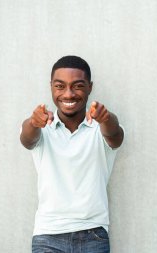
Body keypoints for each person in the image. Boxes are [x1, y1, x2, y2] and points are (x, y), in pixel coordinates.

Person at [20, 55, 124, 253]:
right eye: (60, 86)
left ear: (90, 87)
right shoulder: (42, 127)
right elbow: (27, 139)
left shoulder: (101, 127)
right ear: (51, 86)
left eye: (77, 86)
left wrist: (106, 118)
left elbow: (114, 135)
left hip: (93, 235)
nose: (68, 94)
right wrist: (34, 123)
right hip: (47, 236)